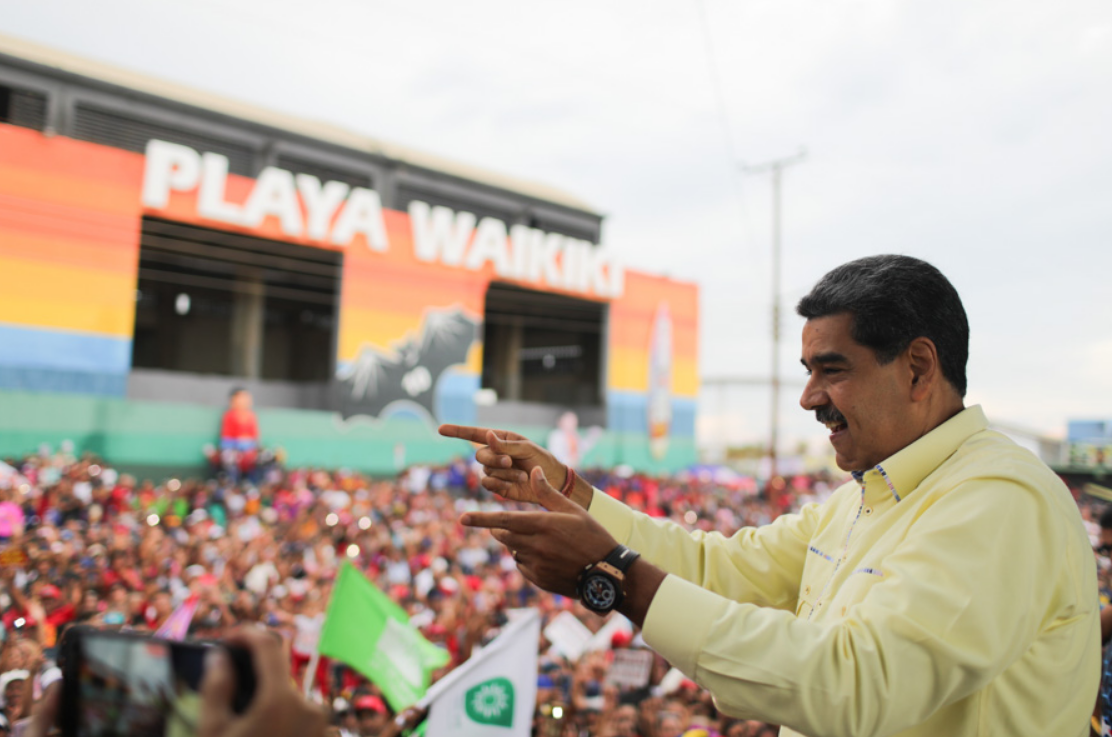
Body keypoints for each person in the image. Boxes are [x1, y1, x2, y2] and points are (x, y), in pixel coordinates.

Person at [440, 254, 1101, 737]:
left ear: (918, 368)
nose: (810, 398)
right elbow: (717, 570)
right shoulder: (860, 500)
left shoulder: (1002, 497)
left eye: (832, 370)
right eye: (807, 372)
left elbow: (858, 684)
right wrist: (569, 492)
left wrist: (611, 577)